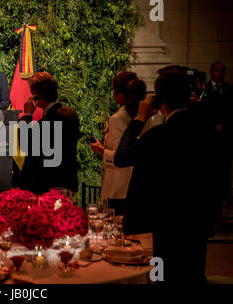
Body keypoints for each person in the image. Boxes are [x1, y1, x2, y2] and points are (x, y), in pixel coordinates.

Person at [114, 70, 216, 283]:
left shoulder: (159, 136)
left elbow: (121, 157)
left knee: (162, 277)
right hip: (198, 219)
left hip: (165, 226)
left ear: (160, 100)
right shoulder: (206, 130)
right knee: (194, 273)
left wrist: (141, 117)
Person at [90, 72, 163, 215]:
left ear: (120, 95)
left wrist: (102, 150)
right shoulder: (150, 115)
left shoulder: (117, 119)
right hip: (143, 185)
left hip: (120, 187)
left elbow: (122, 156)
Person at [18, 72, 81, 195]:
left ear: (36, 97)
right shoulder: (70, 113)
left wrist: (27, 114)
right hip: (67, 180)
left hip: (47, 184)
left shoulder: (48, 121)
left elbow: (25, 144)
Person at [200, 62, 232, 211]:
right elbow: (202, 112)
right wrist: (212, 125)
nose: (219, 73)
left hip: (225, 136)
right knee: (210, 168)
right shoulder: (203, 89)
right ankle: (211, 200)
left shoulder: (229, 89)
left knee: (224, 168)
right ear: (211, 72)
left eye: (222, 71)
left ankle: (224, 198)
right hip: (208, 135)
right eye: (216, 70)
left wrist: (223, 125)